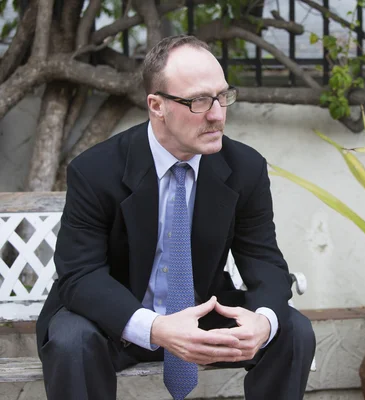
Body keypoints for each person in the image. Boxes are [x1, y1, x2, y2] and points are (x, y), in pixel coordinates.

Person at [36, 34, 316, 400]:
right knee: (72, 339)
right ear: (156, 106)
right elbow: (80, 274)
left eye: (222, 96)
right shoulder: (96, 170)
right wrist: (155, 327)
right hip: (114, 319)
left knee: (292, 329)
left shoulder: (245, 167)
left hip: (201, 312)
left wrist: (263, 321)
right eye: (199, 101)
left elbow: (263, 259)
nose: (217, 114)